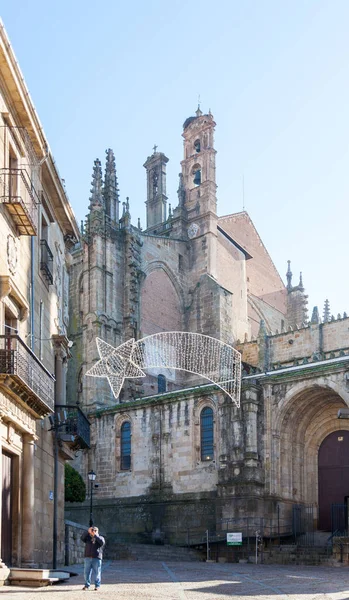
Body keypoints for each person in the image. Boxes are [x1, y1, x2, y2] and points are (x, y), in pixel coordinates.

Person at [81, 526, 105, 591]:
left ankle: (97, 586)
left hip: (96, 558)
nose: (93, 532)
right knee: (86, 573)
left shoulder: (100, 538)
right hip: (88, 558)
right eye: (92, 530)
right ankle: (86, 585)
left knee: (97, 573)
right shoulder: (88, 538)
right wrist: (87, 532)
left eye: (95, 530)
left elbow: (101, 543)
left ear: (97, 531)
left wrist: (96, 536)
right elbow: (82, 538)